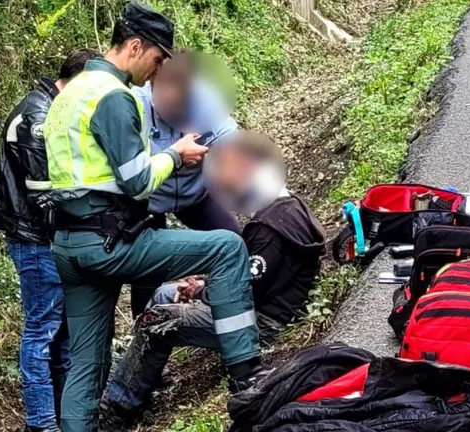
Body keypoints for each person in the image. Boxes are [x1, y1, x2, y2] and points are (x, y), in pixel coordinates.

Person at [42, 3, 265, 431]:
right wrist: (175, 154)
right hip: (109, 241)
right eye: (159, 58)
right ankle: (248, 380)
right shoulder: (114, 96)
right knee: (227, 248)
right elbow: (136, 180)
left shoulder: (69, 94)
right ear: (135, 45)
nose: (159, 68)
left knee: (87, 362)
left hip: (68, 246)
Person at [102, 133, 326, 427]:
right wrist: (201, 288)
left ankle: (118, 408)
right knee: (166, 294)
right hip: (271, 306)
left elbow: (244, 292)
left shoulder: (269, 229)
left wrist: (200, 293)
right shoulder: (289, 207)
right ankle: (147, 377)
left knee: (156, 321)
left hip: (263, 323)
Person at [0, 48, 102, 432]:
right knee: (42, 331)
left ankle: (66, 418)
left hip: (48, 237)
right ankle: (42, 423)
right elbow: (46, 193)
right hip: (35, 238)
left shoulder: (51, 110)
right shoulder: (37, 118)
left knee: (62, 331)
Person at [129, 51, 241, 316]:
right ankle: (142, 330)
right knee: (146, 267)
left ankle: (226, 308)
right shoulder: (134, 105)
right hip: (150, 196)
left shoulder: (207, 103)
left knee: (233, 238)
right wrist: (174, 157)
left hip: (196, 194)